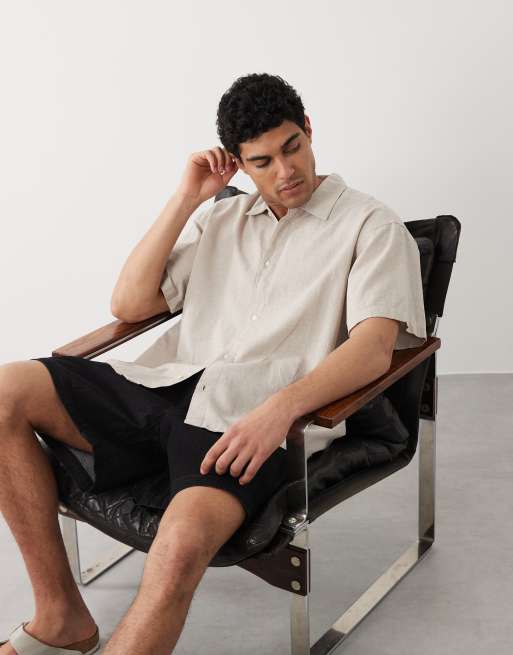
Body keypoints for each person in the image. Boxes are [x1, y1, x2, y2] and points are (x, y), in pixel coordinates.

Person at [0, 73, 426, 655]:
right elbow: (129, 304)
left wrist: (280, 411)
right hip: (162, 385)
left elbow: (373, 347)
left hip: (244, 420)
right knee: (6, 389)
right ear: (239, 164)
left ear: (308, 130)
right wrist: (187, 199)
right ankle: (60, 617)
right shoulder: (220, 219)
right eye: (262, 161)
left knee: (180, 548)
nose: (285, 171)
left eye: (293, 147)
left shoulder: (371, 226)